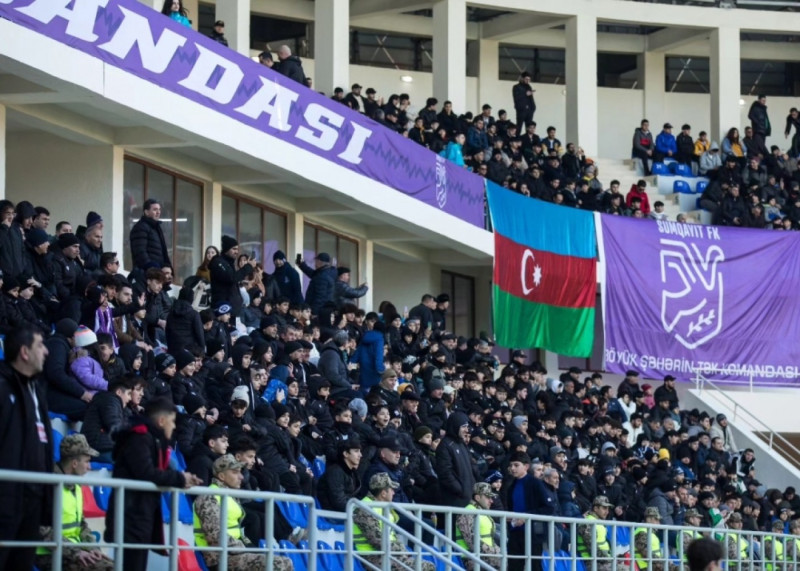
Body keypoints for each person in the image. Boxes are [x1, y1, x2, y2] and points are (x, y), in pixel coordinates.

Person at [104, 398, 202, 571]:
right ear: (161, 421)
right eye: (172, 421)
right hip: (131, 512)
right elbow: (145, 472)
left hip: (140, 512)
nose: (174, 427)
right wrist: (180, 479)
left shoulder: (152, 439)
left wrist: (180, 478)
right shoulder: (140, 437)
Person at [0, 327, 53, 570]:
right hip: (7, 497)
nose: (46, 351)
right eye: (40, 345)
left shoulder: (37, 389)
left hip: (33, 497)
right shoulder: (3, 387)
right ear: (24, 351)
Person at [193, 455, 294, 571]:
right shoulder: (209, 497)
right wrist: (243, 547)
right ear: (222, 476)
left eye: (240, 472)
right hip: (219, 558)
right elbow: (216, 537)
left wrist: (248, 546)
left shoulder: (229, 496)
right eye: (235, 472)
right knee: (277, 564)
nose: (241, 477)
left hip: (233, 554)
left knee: (285, 562)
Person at [35, 434, 113, 571]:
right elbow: (41, 529)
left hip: (71, 551)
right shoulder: (49, 486)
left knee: (114, 566)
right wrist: (75, 552)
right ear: (74, 463)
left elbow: (81, 524)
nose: (89, 467)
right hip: (48, 553)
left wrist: (93, 548)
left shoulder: (76, 486)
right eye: (87, 461)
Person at [352, 473, 435, 571]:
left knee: (428, 566)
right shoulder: (365, 508)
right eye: (391, 489)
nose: (393, 493)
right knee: (425, 567)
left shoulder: (384, 508)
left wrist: (403, 552)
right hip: (372, 557)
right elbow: (378, 541)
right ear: (383, 493)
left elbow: (391, 537)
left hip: (387, 555)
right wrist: (401, 550)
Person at [454, 483, 502, 569]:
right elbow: (472, 542)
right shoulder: (468, 512)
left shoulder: (481, 512)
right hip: (469, 559)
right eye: (488, 497)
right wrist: (495, 552)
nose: (491, 501)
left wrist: (497, 551)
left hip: (483, 557)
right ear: (477, 498)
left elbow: (489, 539)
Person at [209, 236, 254, 319]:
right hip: (223, 310)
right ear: (226, 249)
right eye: (233, 249)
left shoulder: (229, 263)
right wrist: (248, 267)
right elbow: (231, 278)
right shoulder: (218, 262)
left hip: (234, 310)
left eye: (237, 249)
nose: (236, 252)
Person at [129, 199, 170, 284]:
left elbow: (163, 252)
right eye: (155, 209)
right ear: (146, 212)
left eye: (159, 210)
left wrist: (167, 267)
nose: (158, 212)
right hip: (146, 275)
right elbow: (140, 252)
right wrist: (152, 268)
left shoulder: (156, 228)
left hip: (157, 276)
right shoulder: (140, 227)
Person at [317, 437, 362, 512]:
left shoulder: (351, 472)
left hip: (347, 511)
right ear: (346, 454)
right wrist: (357, 511)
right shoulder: (335, 472)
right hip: (333, 515)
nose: (360, 455)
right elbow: (339, 502)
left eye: (360, 451)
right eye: (356, 451)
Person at [577, 496, 615, 569]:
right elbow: (593, 549)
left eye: (608, 509)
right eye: (604, 508)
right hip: (591, 562)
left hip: (601, 561)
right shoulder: (588, 523)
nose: (607, 512)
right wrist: (610, 560)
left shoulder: (598, 522)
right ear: (595, 509)